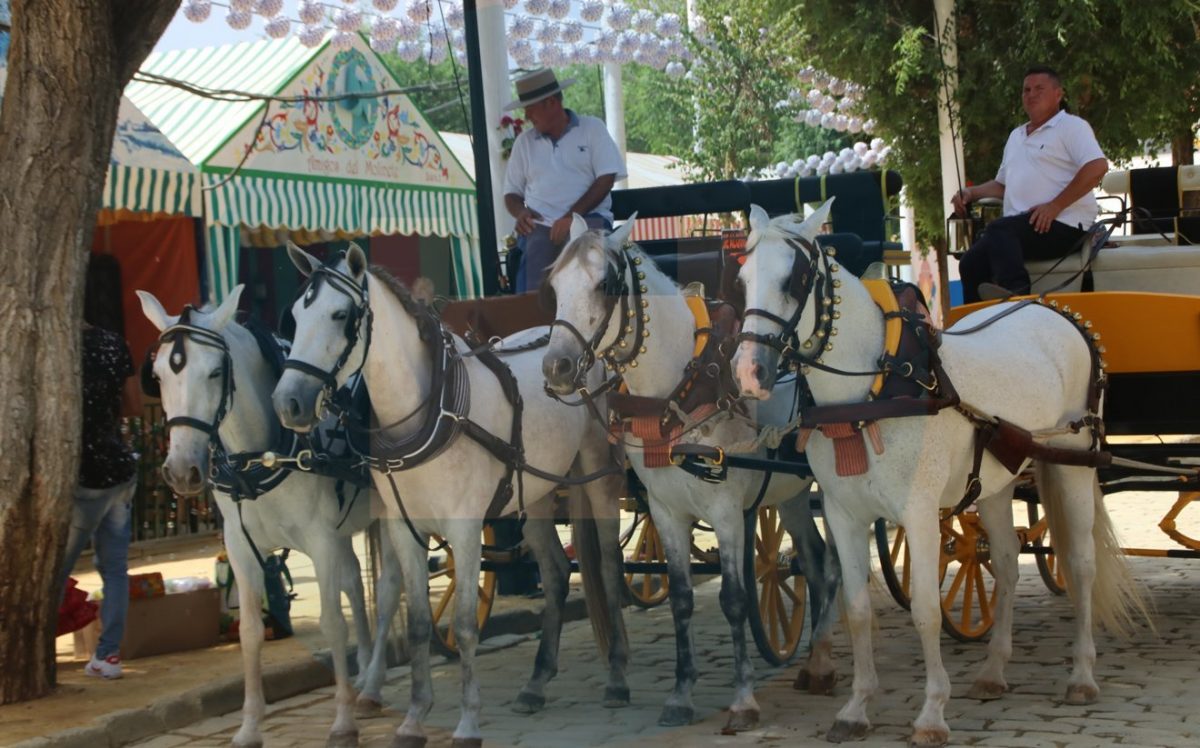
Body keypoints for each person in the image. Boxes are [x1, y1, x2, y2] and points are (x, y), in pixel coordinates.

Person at [951, 65, 1108, 303]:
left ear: (1058, 94)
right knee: (970, 262)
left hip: (1064, 225)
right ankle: (977, 323)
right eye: (1026, 90)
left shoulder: (1071, 127)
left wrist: (1054, 206)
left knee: (999, 229)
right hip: (1020, 229)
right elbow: (1003, 186)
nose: (1031, 94)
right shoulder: (1016, 136)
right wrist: (971, 192)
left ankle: (1018, 299)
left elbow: (1097, 167)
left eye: (1039, 89)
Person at [56, 254, 137, 680]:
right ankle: (108, 655)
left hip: (82, 475)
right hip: (119, 469)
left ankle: (35, 648)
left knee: (55, 569)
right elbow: (134, 406)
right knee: (115, 569)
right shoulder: (113, 343)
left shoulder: (56, 349)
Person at [502, 68, 627, 293]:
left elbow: (606, 178)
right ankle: (530, 321)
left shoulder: (592, 128)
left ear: (551, 103)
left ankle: (592, 319)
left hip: (591, 220)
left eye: (530, 109)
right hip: (541, 226)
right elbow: (511, 194)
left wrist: (572, 217)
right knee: (535, 248)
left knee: (586, 255)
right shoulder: (524, 143)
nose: (527, 116)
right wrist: (521, 212)